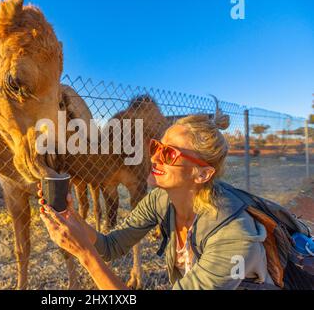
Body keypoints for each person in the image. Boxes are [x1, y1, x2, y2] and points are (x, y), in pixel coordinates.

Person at [38, 114, 276, 290]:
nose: (153, 157)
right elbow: (110, 246)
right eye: (156, 147)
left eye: (169, 154)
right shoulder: (161, 200)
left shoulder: (233, 237)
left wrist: (85, 255)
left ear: (202, 174)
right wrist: (73, 219)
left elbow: (96, 254)